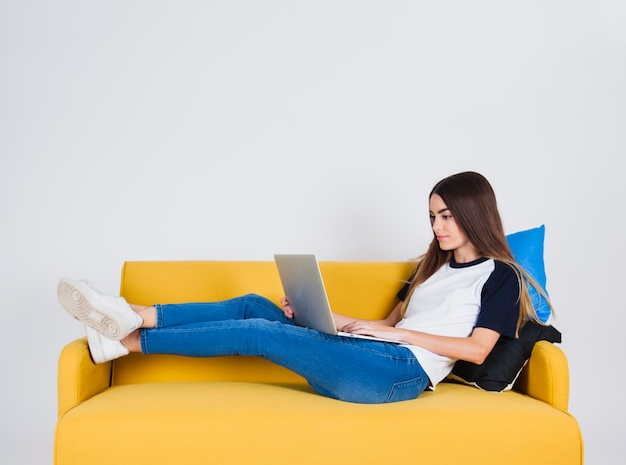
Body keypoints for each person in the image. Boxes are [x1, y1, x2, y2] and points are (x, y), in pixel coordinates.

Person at [57, 171, 549, 405]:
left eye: (446, 215)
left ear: (472, 214)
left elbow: (479, 351)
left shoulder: (498, 275)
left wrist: (405, 338)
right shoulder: (429, 268)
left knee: (263, 337)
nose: (437, 225)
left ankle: (123, 341)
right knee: (258, 306)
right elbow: (382, 326)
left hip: (398, 376)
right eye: (432, 216)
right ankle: (135, 312)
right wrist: (323, 317)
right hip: (370, 353)